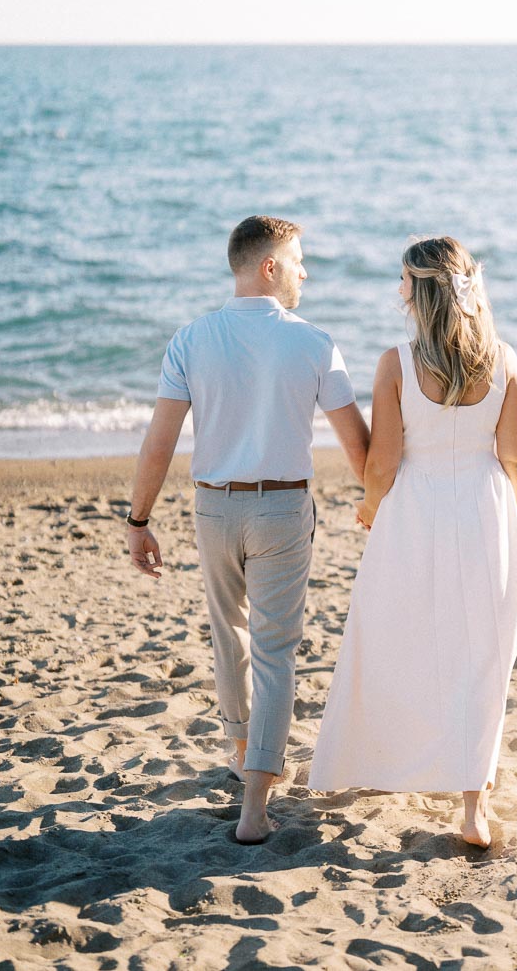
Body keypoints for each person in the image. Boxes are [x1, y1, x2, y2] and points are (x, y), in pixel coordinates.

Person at [126, 215, 370, 843]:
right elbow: (358, 447)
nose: (304, 271)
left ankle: (241, 752)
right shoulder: (314, 342)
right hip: (283, 510)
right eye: (298, 260)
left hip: (214, 507)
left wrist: (139, 520)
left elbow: (160, 441)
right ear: (269, 266)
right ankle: (256, 805)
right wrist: (384, 497)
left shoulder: (191, 338)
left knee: (228, 634)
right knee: (275, 651)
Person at [308, 236, 517, 847]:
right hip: (486, 510)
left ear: (420, 291)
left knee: (395, 638)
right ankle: (472, 807)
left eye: (402, 280)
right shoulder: (505, 359)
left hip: (415, 510)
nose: (396, 290)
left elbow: (383, 462)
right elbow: (513, 461)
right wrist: (498, 522)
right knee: (481, 658)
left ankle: (383, 762)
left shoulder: (396, 364)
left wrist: (370, 506)